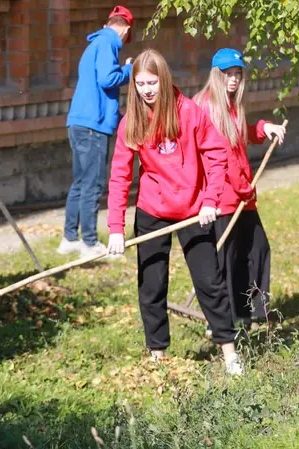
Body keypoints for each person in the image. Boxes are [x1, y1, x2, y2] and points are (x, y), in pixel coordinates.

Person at [106, 49, 244, 375]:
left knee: (209, 281)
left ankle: (229, 354)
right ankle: (158, 356)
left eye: (152, 82)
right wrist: (115, 227)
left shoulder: (189, 112)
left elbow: (216, 155)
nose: (147, 89)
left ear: (163, 79)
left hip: (194, 210)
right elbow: (119, 177)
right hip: (152, 210)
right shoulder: (132, 121)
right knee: (152, 286)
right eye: (140, 84)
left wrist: (210, 199)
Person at [193, 48, 286, 328]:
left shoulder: (231, 104)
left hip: (241, 196)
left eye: (237, 74)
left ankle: (250, 313)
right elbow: (222, 157)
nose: (233, 80)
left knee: (257, 249)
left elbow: (239, 134)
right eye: (227, 74)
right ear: (215, 74)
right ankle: (224, 320)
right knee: (228, 259)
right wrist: (243, 188)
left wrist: (263, 128)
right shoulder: (208, 107)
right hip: (223, 197)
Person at [59, 5, 135, 258]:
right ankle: (90, 244)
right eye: (127, 36)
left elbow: (100, 87)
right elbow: (107, 79)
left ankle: (70, 238)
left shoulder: (95, 44)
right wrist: (129, 70)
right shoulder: (109, 42)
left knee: (80, 182)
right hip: (94, 127)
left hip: (79, 123)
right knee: (93, 184)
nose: (124, 41)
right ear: (124, 29)